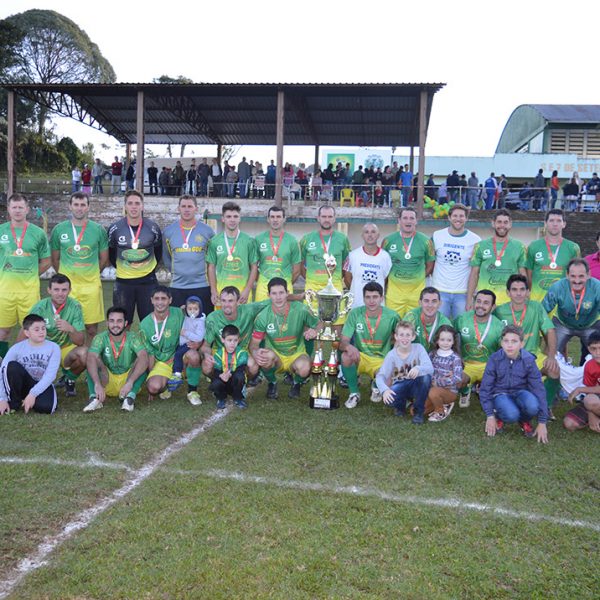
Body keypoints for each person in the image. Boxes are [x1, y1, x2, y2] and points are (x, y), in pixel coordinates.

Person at [494, 274, 560, 408]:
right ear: (508, 292)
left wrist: (551, 356)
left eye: (522, 289)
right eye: (514, 289)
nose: (518, 293)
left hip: (532, 355)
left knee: (554, 370)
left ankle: (545, 406)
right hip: (509, 358)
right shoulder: (499, 311)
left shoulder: (536, 307)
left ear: (528, 292)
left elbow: (550, 330)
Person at [50, 191, 109, 340]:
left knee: (91, 330)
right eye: (76, 204)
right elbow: (54, 259)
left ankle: (89, 361)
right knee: (64, 328)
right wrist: (64, 277)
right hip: (67, 289)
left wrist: (93, 273)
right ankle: (68, 361)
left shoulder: (98, 230)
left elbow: (104, 259)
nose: (79, 208)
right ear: (70, 206)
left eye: (83, 205)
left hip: (91, 287)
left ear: (88, 207)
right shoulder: (59, 229)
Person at [0, 193, 51, 359]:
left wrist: (30, 275)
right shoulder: (1, 231)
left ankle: (12, 359)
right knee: (3, 330)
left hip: (29, 292)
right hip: (4, 291)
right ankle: (4, 365)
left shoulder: (38, 233)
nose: (17, 211)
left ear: (27, 209)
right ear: (8, 209)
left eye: (20, 207)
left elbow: (47, 260)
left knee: (29, 330)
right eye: (14, 207)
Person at [249, 277, 319, 400]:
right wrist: (255, 352)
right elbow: (254, 343)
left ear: (287, 293)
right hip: (276, 356)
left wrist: (315, 330)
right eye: (274, 293)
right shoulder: (263, 316)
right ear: (268, 295)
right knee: (264, 357)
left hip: (296, 355)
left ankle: (297, 383)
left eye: (281, 293)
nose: (278, 297)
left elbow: (319, 324)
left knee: (305, 367)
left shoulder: (301, 309)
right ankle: (272, 383)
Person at [479, 325, 549, 443]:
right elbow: (486, 388)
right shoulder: (494, 359)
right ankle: (499, 416)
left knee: (532, 405)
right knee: (511, 415)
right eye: (506, 341)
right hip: (500, 394)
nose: (509, 345)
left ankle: (524, 420)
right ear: (501, 343)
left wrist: (542, 422)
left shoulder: (529, 360)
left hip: (521, 392)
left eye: (514, 341)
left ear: (521, 344)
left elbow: (538, 389)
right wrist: (489, 415)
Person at [25, 273, 87, 397]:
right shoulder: (40, 307)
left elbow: (80, 341)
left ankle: (69, 379)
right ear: (49, 290)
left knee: (85, 354)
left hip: (65, 347)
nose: (60, 293)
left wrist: (70, 329)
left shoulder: (75, 306)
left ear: (69, 290)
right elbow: (25, 330)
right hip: (44, 348)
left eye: (64, 290)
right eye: (56, 289)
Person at [339, 282, 399, 409]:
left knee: (389, 380)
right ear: (363, 298)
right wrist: (349, 346)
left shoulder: (392, 316)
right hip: (361, 357)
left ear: (381, 298)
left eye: (375, 297)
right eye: (368, 297)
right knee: (345, 356)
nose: (371, 301)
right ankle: (354, 393)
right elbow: (343, 341)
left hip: (382, 360)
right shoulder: (355, 314)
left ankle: (376, 386)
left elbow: (402, 340)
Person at [107, 190, 162, 325]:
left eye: (137, 203)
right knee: (123, 324)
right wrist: (126, 267)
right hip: (123, 283)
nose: (134, 207)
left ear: (142, 206)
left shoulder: (153, 228)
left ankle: (148, 347)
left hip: (148, 282)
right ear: (125, 206)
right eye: (130, 203)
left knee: (150, 323)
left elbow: (158, 253)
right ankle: (123, 347)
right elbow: (112, 254)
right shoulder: (115, 228)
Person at [139, 286, 201, 405]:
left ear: (170, 300)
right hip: (161, 363)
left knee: (193, 355)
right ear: (151, 300)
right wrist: (151, 375)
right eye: (157, 299)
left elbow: (197, 321)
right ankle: (168, 382)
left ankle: (192, 391)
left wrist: (196, 343)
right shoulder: (145, 325)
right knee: (153, 388)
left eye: (164, 298)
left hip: (180, 356)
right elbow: (149, 353)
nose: (160, 302)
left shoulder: (179, 313)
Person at [83, 306, 149, 413]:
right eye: (112, 321)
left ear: (125, 323)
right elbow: (91, 358)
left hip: (128, 380)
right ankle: (94, 398)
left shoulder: (133, 337)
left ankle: (129, 399)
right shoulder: (100, 338)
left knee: (143, 359)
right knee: (92, 358)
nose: (115, 325)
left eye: (119, 321)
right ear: (107, 323)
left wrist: (130, 382)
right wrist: (97, 384)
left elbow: (143, 357)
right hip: (107, 379)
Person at [201, 286, 267, 383]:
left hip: (242, 351)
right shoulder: (213, 318)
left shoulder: (248, 310)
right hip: (220, 352)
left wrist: (296, 297)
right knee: (206, 366)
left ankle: (243, 383)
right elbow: (205, 346)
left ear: (238, 302)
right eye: (223, 300)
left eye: (230, 301)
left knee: (253, 366)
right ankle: (218, 382)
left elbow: (272, 301)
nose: (226, 304)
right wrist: (207, 355)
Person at [162, 195, 215, 313]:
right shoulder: (168, 232)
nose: (186, 209)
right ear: (178, 208)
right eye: (183, 206)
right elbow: (166, 257)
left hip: (202, 286)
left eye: (190, 206)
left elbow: (212, 260)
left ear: (196, 209)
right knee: (178, 324)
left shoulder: (207, 231)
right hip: (177, 286)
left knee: (202, 323)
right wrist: (178, 272)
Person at [300, 205, 351, 328]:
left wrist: (335, 279)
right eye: (323, 216)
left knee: (336, 331)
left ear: (334, 219)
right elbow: (301, 265)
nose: (326, 219)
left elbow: (345, 265)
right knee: (309, 329)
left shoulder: (343, 239)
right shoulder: (306, 239)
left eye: (330, 216)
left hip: (335, 291)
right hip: (312, 291)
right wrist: (311, 279)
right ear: (318, 218)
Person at [0, 314, 60, 415]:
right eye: (36, 329)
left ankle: (28, 399)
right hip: (22, 383)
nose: (41, 332)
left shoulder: (54, 347)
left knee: (47, 408)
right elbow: (2, 371)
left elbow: (51, 375)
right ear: (27, 332)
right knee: (12, 366)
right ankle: (14, 401)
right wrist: (2, 399)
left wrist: (33, 394)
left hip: (41, 383)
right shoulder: (16, 348)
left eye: (43, 328)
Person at [375, 320, 433, 424]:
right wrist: (384, 390)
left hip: (417, 384)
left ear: (413, 337)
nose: (405, 338)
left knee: (425, 378)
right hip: (401, 384)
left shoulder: (419, 348)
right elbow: (380, 376)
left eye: (408, 335)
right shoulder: (392, 355)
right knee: (390, 398)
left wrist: (418, 368)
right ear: (396, 337)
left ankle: (418, 412)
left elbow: (430, 368)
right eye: (401, 335)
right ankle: (401, 405)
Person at [467, 209, 527, 309]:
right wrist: (469, 299)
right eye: (499, 222)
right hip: (485, 302)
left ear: (510, 224)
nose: (502, 225)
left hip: (510, 301)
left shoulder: (520, 247)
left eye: (505, 222)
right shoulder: (480, 246)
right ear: (493, 223)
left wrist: (524, 297)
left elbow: (523, 274)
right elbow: (474, 274)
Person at [542, 258, 600, 359]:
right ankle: (551, 375)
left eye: (581, 276)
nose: (577, 281)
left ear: (588, 275)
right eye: (573, 276)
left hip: (590, 325)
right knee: (551, 356)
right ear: (567, 275)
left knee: (598, 356)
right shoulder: (557, 287)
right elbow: (541, 311)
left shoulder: (597, 287)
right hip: (562, 324)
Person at [454, 289, 504, 407]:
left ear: (493, 307)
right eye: (479, 301)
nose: (481, 306)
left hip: (488, 364)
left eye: (486, 303)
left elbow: (503, 351)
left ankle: (482, 386)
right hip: (467, 364)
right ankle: (465, 391)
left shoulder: (499, 326)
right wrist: (456, 355)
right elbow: (450, 334)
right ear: (474, 302)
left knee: (493, 396)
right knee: (457, 381)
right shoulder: (463, 318)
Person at [431, 204, 481, 319]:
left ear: (466, 218)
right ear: (449, 217)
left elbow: (476, 270)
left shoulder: (475, 240)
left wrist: (470, 297)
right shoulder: (437, 236)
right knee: (439, 329)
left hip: (462, 294)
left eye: (461, 216)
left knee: (462, 330)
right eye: (455, 216)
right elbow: (430, 261)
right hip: (439, 292)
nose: (458, 219)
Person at [383, 207, 435, 316]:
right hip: (394, 294)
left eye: (412, 218)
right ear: (399, 220)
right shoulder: (388, 241)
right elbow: (383, 268)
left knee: (415, 325)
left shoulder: (426, 241)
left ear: (416, 221)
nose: (408, 221)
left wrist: (418, 276)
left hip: (417, 294)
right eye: (405, 218)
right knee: (393, 325)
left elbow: (430, 265)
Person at [207, 201, 258, 307]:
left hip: (243, 294)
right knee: (222, 323)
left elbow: (254, 267)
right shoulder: (214, 241)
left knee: (244, 323)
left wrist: (248, 289)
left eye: (235, 216)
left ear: (240, 218)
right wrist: (213, 290)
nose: (232, 220)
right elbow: (211, 267)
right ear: (223, 219)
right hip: (222, 294)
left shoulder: (249, 241)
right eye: (229, 216)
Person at [525, 209, 580, 303]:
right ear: (545, 223)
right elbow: (528, 276)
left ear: (564, 224)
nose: (555, 224)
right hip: (537, 302)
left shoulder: (573, 248)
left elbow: (576, 276)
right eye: (551, 220)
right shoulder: (533, 246)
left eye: (559, 221)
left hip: (562, 303)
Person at [254, 206, 301, 302]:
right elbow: (253, 266)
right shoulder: (258, 239)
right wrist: (262, 280)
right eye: (272, 217)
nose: (275, 220)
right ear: (268, 219)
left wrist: (283, 284)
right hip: (263, 288)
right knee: (262, 316)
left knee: (284, 316)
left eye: (278, 217)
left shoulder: (292, 241)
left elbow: (296, 270)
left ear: (284, 219)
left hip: (284, 289)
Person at [168, 295, 206, 406]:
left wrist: (185, 333)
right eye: (190, 309)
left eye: (195, 309)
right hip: (182, 342)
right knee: (173, 354)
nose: (192, 312)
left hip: (189, 344)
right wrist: (182, 310)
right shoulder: (187, 315)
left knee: (178, 355)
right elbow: (183, 315)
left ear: (200, 309)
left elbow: (199, 337)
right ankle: (168, 385)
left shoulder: (200, 321)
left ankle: (177, 373)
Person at [345, 223, 392, 307]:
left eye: (373, 232)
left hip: (377, 307)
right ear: (362, 235)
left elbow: (386, 280)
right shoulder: (353, 255)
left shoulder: (385, 257)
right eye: (366, 232)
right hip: (356, 305)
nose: (370, 235)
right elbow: (347, 279)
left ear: (378, 235)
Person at [563, 330, 600, 433]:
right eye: (594, 349)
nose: (597, 353)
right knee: (569, 423)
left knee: (590, 401)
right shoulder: (590, 365)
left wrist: (580, 389)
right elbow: (590, 392)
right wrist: (590, 413)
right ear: (589, 349)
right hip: (597, 401)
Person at [425, 325, 463, 422]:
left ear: (453, 341)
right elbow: (427, 369)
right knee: (416, 411)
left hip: (449, 391)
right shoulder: (432, 354)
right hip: (433, 389)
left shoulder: (455, 358)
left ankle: (440, 411)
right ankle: (441, 404)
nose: (445, 343)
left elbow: (457, 377)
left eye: (449, 340)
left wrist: (439, 382)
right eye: (442, 340)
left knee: (433, 392)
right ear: (437, 340)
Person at [209, 325, 249, 409]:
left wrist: (229, 374)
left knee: (239, 376)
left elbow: (240, 369)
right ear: (223, 340)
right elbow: (216, 371)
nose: (232, 343)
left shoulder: (242, 353)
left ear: (238, 340)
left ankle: (238, 398)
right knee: (215, 383)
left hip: (234, 380)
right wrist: (221, 375)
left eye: (235, 340)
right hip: (224, 380)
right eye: (229, 340)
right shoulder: (218, 354)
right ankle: (221, 398)